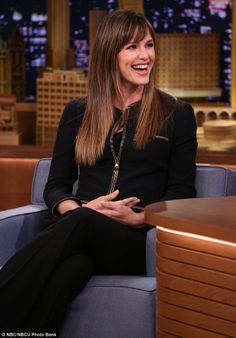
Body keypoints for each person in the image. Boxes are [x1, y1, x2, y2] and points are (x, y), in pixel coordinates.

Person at [0, 9, 197, 335]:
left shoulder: (176, 114)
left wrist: (139, 217)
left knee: (82, 224)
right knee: (71, 270)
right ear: (110, 54)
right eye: (132, 47)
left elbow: (182, 193)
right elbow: (57, 186)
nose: (145, 55)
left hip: (134, 241)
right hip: (79, 231)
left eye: (149, 45)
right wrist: (79, 208)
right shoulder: (78, 111)